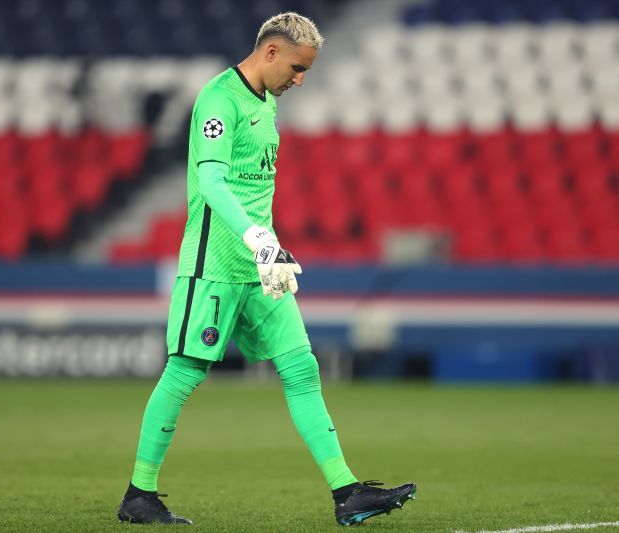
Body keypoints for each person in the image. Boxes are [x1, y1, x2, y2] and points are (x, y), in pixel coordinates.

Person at [116, 12, 416, 527]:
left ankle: (347, 493)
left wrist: (269, 247)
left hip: (261, 266)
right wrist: (257, 238)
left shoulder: (266, 103)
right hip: (213, 265)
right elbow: (211, 183)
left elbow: (253, 191)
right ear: (271, 52)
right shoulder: (218, 100)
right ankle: (139, 494)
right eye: (298, 68)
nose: (300, 80)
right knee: (185, 372)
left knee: (302, 368)